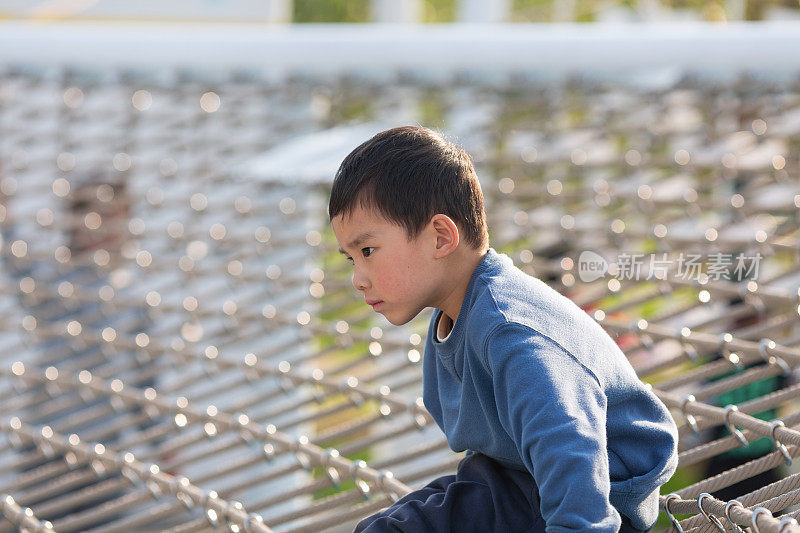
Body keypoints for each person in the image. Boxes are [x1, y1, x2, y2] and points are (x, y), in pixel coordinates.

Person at [328, 126, 678, 532]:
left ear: (441, 237)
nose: (358, 278)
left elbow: (572, 448)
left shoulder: (512, 334)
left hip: (594, 492)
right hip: (513, 477)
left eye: (367, 251)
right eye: (350, 258)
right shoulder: (454, 318)